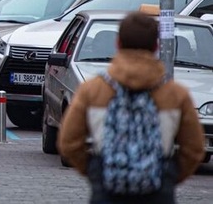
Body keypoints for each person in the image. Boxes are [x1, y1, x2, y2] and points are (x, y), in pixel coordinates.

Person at [58, 11, 205, 204]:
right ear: (156, 46)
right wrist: (168, 176)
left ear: (118, 44)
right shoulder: (176, 95)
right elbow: (194, 149)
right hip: (158, 190)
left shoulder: (92, 90)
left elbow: (69, 143)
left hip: (107, 189)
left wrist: (97, 172)